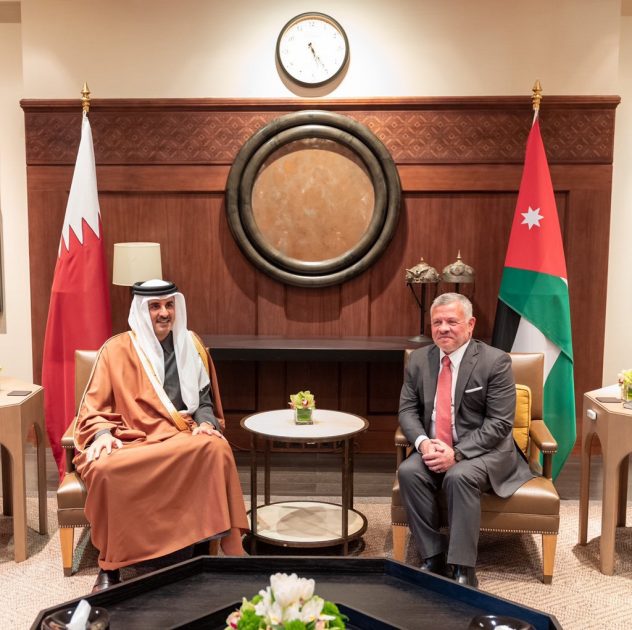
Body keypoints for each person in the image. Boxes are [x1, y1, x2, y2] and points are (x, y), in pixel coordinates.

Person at [73, 279, 249, 592]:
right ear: (141, 310)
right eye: (155, 306)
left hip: (179, 434)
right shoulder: (116, 350)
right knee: (106, 469)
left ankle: (202, 547)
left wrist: (206, 424)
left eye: (169, 305)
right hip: (132, 438)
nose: (164, 313)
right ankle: (110, 566)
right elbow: (93, 406)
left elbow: (204, 401)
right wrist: (102, 434)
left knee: (215, 448)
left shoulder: (191, 344)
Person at [397, 292, 533, 587]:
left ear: (470, 325)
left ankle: (463, 567)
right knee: (408, 471)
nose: (443, 328)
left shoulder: (495, 361)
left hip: (484, 451)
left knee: (459, 476)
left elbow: (500, 424)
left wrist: (456, 453)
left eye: (452, 321)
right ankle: (433, 556)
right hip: (435, 446)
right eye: (437, 322)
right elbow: (407, 410)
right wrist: (423, 443)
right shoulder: (418, 359)